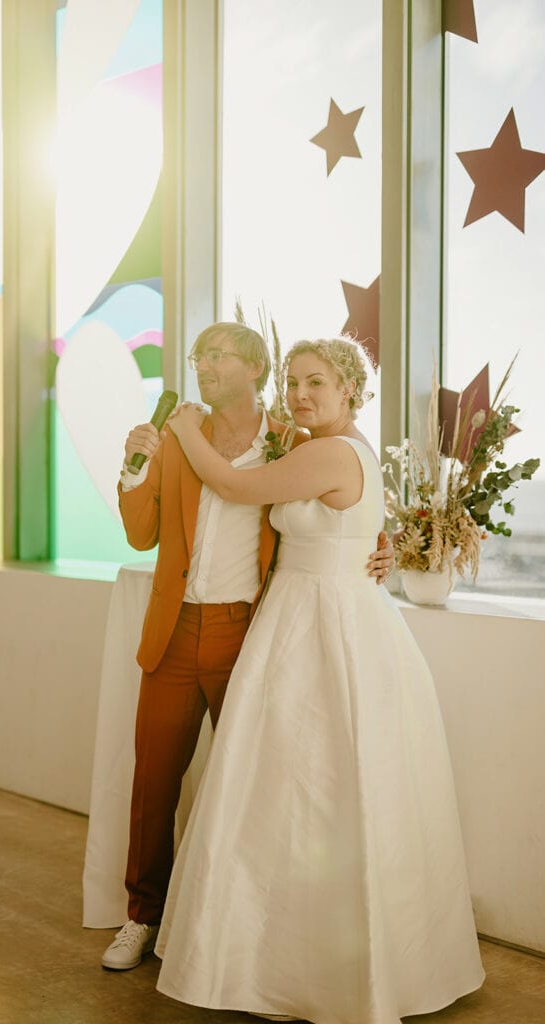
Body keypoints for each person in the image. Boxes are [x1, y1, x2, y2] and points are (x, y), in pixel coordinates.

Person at [155, 337, 485, 1023]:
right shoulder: (347, 446)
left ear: (349, 390)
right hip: (318, 613)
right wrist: (381, 545)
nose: (301, 395)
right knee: (310, 787)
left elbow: (236, 485)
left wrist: (185, 428)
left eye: (317, 383)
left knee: (306, 783)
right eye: (294, 382)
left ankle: (299, 965)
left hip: (319, 624)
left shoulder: (329, 452)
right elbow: (355, 525)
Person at [100, 323, 394, 971]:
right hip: (174, 634)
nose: (201, 365)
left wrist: (379, 537)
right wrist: (132, 466)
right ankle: (141, 918)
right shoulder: (179, 440)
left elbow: (347, 494)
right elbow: (141, 534)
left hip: (253, 637)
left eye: (215, 355)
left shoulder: (292, 441)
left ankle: (241, 930)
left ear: (254, 368)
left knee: (253, 787)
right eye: (197, 356)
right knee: (153, 785)